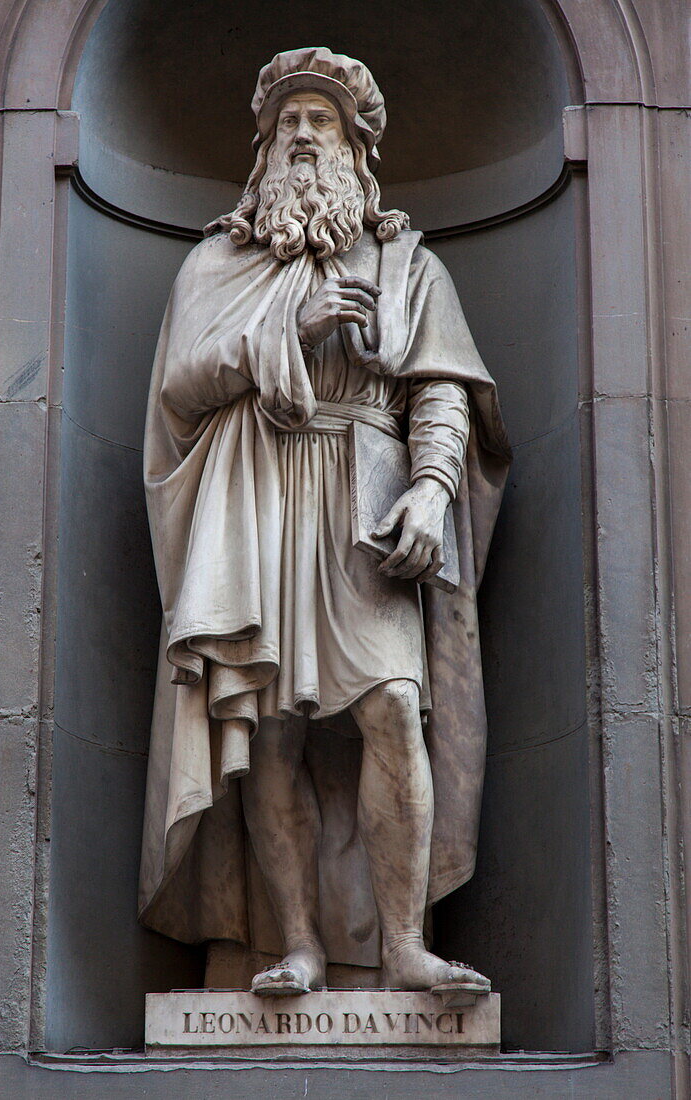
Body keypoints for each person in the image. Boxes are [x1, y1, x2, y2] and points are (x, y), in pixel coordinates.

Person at [139, 47, 511, 998]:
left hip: (366, 494)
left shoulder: (402, 260)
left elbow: (440, 390)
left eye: (324, 124)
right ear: (263, 154)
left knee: (391, 705)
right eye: (288, 125)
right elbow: (183, 382)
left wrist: (431, 488)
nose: (304, 138)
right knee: (267, 728)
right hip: (256, 493)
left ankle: (401, 943)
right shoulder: (217, 262)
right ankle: (296, 942)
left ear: (355, 151)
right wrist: (288, 332)